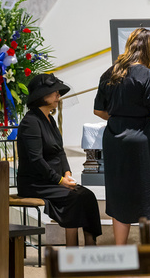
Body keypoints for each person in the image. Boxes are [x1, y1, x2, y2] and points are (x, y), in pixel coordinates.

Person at [94, 28, 150, 245]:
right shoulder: (148, 74)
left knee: (120, 196)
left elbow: (98, 110)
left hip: (115, 140)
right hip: (142, 141)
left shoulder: (110, 72)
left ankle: (121, 251)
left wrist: (119, 116)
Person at [17, 73, 101, 246]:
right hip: (36, 183)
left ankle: (91, 247)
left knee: (88, 196)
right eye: (54, 92)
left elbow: (59, 152)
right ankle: (72, 251)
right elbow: (35, 159)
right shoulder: (30, 122)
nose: (58, 95)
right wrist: (60, 180)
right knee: (75, 198)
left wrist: (67, 173)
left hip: (53, 181)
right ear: (40, 96)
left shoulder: (49, 120)